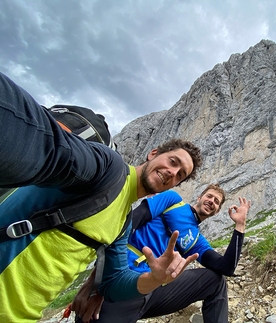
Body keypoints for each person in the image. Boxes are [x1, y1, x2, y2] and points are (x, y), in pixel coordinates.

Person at [0, 72, 203, 323]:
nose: (172, 173)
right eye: (173, 162)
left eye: (180, 175)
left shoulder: (122, 221)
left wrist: (154, 279)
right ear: (153, 153)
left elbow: (115, 283)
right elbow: (48, 147)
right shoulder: (108, 168)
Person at [73, 183, 251, 323]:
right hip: (123, 279)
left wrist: (240, 225)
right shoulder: (172, 200)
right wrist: (95, 284)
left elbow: (225, 267)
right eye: (209, 196)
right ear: (199, 197)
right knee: (89, 317)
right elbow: (128, 225)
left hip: (154, 290)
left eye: (217, 202)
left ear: (217, 211)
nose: (212, 201)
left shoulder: (196, 240)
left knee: (215, 281)